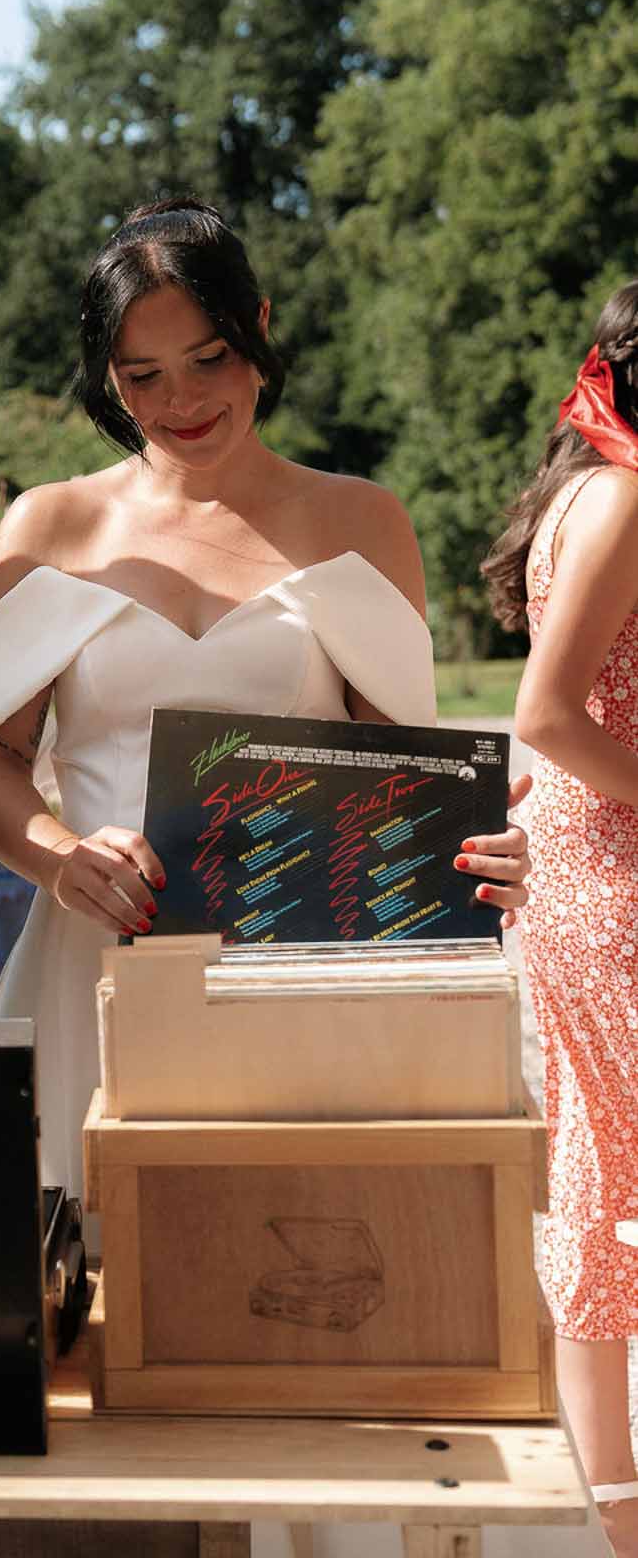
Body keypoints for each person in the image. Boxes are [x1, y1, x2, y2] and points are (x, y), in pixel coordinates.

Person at [0, 198, 531, 1198]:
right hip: (96, 965)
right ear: (108, 377)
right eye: (142, 373)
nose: (181, 397)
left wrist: (475, 842)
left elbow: (401, 777)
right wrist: (58, 857)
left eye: (208, 356)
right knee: (83, 1305)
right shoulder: (45, 526)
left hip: (298, 975)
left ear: (257, 327)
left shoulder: (364, 520)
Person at [482, 282, 638, 1556]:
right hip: (618, 874)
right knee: (601, 1170)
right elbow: (544, 713)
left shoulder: (595, 483)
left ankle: (613, 1500)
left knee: (601, 1167)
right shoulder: (628, 494)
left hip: (587, 871)